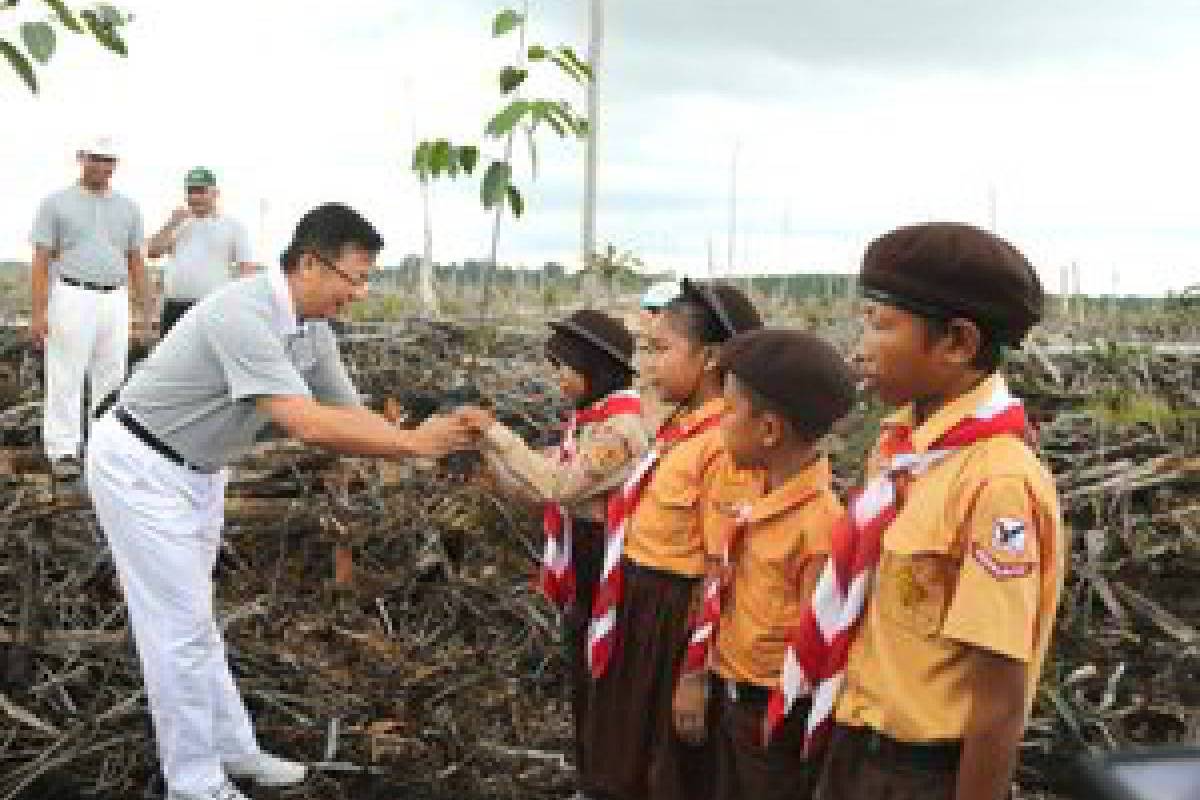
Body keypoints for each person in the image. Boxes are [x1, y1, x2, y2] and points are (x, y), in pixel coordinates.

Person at [85, 203, 472, 800]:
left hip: (197, 471)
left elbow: (346, 409)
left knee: (194, 624)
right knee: (177, 633)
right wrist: (411, 445)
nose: (362, 292)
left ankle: (235, 751)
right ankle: (193, 784)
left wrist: (417, 442)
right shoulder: (243, 313)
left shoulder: (311, 331)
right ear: (311, 264)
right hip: (140, 465)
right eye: (357, 276)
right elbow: (305, 424)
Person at [802, 222, 1064, 800]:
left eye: (880, 325)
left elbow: (999, 699)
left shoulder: (996, 481)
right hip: (855, 741)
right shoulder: (901, 450)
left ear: (957, 344)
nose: (860, 346)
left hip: (921, 773)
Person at [580, 279, 763, 800]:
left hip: (672, 618)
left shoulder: (723, 447)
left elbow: (720, 566)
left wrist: (694, 673)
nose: (645, 364)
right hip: (639, 605)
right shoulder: (678, 425)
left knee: (665, 768)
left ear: (710, 358)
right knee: (624, 754)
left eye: (661, 349)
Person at [456, 309, 648, 800]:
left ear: (597, 369)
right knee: (584, 671)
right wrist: (490, 463)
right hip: (586, 554)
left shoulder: (621, 429)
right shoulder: (591, 420)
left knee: (605, 675)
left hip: (609, 561)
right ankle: (593, 776)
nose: (559, 380)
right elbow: (540, 486)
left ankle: (609, 781)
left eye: (566, 368)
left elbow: (559, 485)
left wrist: (498, 435)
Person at [671, 328, 856, 800]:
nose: (720, 424)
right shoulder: (753, 492)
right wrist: (695, 675)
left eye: (730, 411)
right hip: (730, 695)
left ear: (770, 431)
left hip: (775, 718)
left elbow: (816, 652)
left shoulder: (820, 527)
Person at [30, 135, 152, 479]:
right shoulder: (56, 203)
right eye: (96, 158)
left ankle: (104, 447)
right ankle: (63, 451)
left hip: (115, 298)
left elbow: (135, 260)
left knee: (112, 376)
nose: (102, 166)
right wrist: (38, 313)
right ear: (81, 158)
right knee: (66, 373)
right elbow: (40, 258)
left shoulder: (129, 207)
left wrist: (146, 312)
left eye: (108, 160)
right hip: (72, 294)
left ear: (116, 164)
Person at [147, 166, 256, 335]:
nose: (195, 197)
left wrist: (240, 308)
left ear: (215, 193)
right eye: (190, 191)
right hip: (174, 307)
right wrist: (172, 223)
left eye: (201, 191)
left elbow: (246, 270)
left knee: (209, 359)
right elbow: (152, 252)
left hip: (213, 307)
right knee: (173, 361)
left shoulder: (233, 226)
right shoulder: (177, 224)